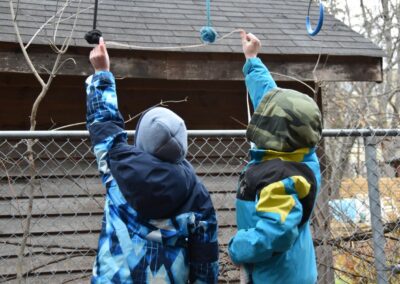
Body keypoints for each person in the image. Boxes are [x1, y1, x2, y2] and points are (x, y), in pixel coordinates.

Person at [86, 37, 219, 283]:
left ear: (141, 138)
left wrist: (102, 72)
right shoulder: (197, 196)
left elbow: (103, 122)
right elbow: (205, 260)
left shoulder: (117, 167)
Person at [228, 31, 322, 284]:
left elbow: (276, 232)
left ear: (277, 132)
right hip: (295, 270)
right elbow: (270, 99)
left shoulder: (280, 178)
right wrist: (252, 60)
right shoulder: (303, 155)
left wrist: (239, 247)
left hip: (278, 279)